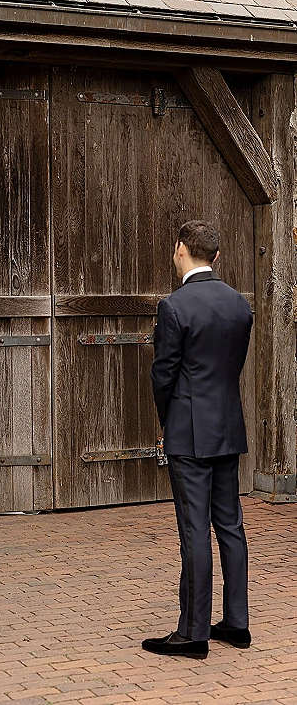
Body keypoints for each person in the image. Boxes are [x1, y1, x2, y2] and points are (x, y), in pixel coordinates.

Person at [142, 220, 253, 660]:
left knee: (194, 531)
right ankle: (237, 623)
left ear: (181, 250)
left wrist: (166, 421)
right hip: (228, 426)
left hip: (189, 432)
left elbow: (163, 373)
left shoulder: (175, 306)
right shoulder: (239, 306)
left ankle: (193, 633)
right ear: (218, 256)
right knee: (230, 525)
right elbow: (232, 367)